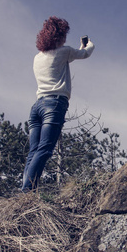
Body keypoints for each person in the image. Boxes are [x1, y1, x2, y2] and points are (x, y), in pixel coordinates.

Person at [22, 16, 95, 192]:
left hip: (37, 106)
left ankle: (24, 192)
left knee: (34, 151)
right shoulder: (64, 52)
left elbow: (65, 57)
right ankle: (27, 192)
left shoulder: (37, 58)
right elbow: (84, 54)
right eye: (63, 35)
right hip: (54, 104)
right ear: (59, 36)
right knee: (45, 149)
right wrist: (89, 44)